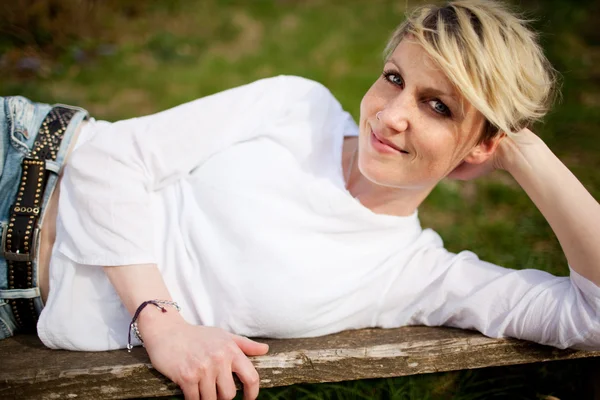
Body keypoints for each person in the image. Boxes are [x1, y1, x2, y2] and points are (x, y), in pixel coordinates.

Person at [1, 0, 599, 398]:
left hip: (16, 304)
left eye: (437, 106)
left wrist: (522, 150)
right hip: (24, 163)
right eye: (394, 78)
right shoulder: (297, 106)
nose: (390, 116)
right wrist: (162, 322)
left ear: (479, 149)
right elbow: (108, 158)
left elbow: (592, 317)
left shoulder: (414, 276)